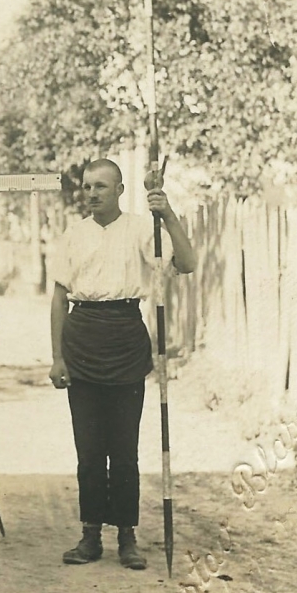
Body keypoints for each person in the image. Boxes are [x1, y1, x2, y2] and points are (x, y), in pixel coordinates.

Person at [48, 158, 196, 570]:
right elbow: (60, 298)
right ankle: (91, 533)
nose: (92, 193)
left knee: (124, 446)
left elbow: (186, 263)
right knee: (89, 446)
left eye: (101, 186)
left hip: (126, 335)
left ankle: (127, 536)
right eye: (87, 186)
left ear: (120, 190)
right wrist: (57, 355)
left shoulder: (141, 227)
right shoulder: (73, 234)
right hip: (82, 338)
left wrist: (165, 213)